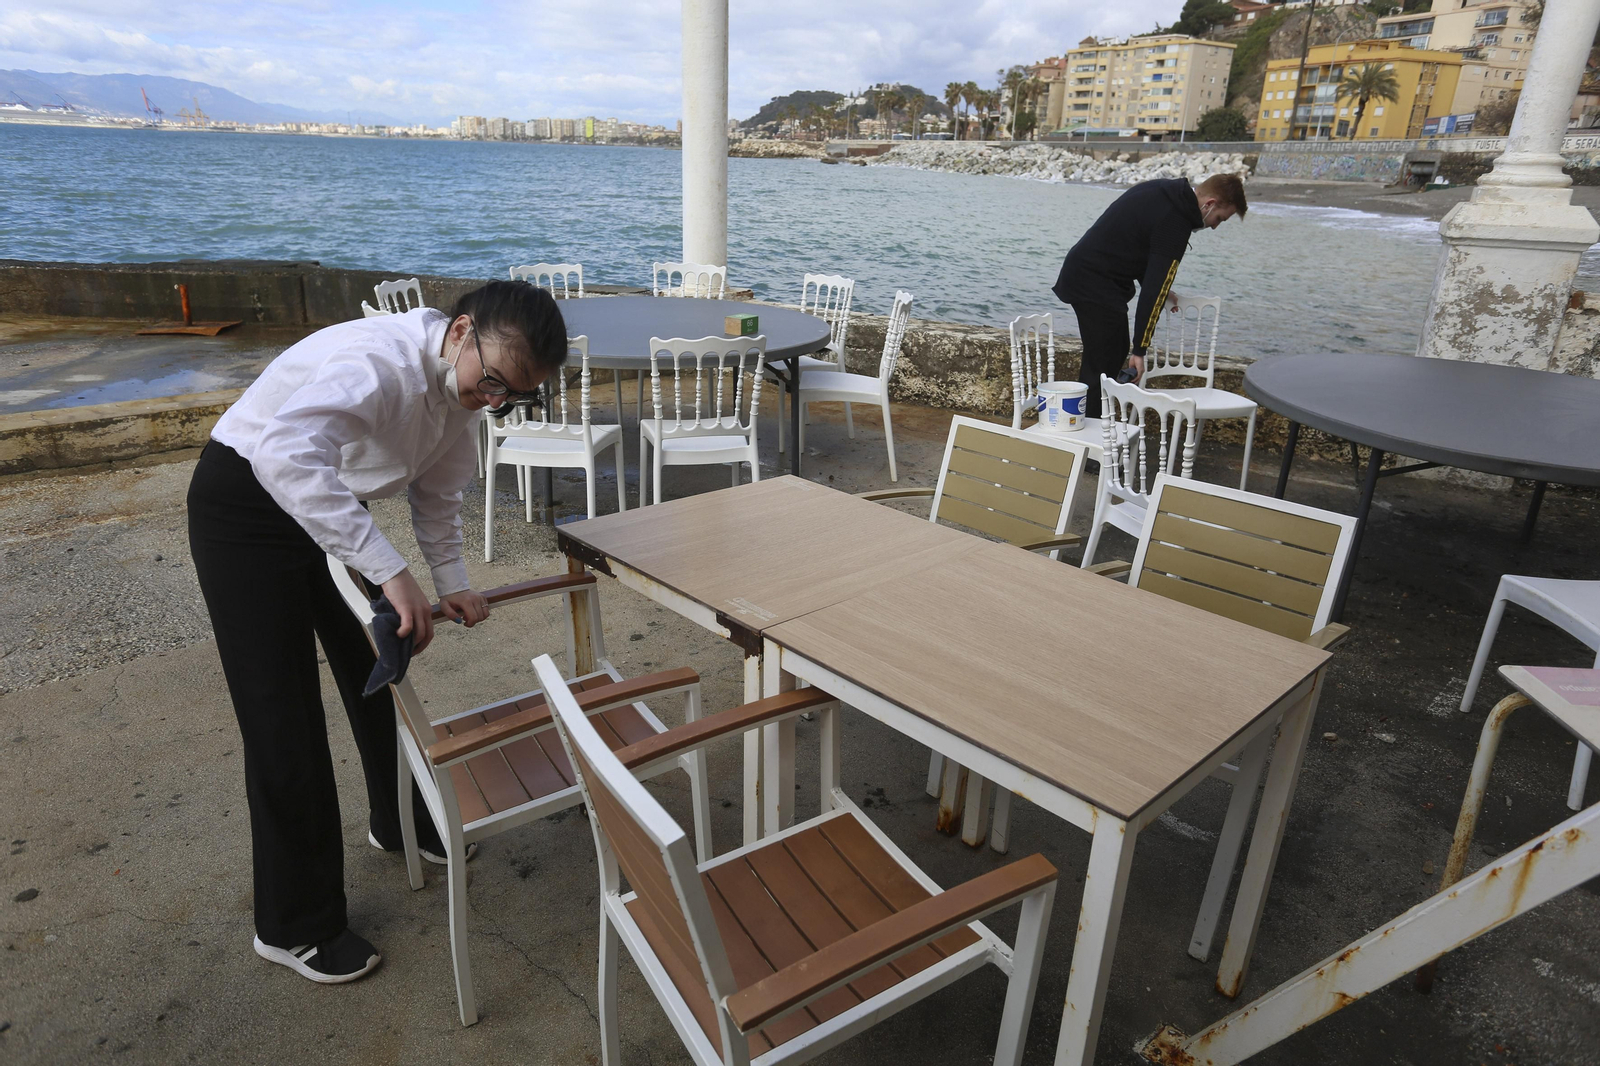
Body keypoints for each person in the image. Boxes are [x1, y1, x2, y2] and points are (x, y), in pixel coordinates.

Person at [186, 280, 566, 984]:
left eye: (513, 395)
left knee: (378, 675)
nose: (495, 402)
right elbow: (282, 456)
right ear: (459, 334)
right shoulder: (376, 363)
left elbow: (440, 492)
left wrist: (450, 583)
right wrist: (391, 572)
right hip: (243, 503)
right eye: (492, 384)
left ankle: (399, 823)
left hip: (323, 508)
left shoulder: (463, 391)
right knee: (284, 720)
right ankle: (293, 926)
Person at [1052, 172, 1247, 419]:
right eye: (1220, 218)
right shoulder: (1177, 222)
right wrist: (1141, 351)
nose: (1216, 226)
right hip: (1093, 281)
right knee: (1102, 364)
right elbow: (1153, 291)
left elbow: (1139, 245)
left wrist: (1161, 290)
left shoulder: (1166, 191)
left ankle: (1090, 432)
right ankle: (1088, 443)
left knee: (1111, 354)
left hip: (1089, 274)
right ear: (1209, 204)